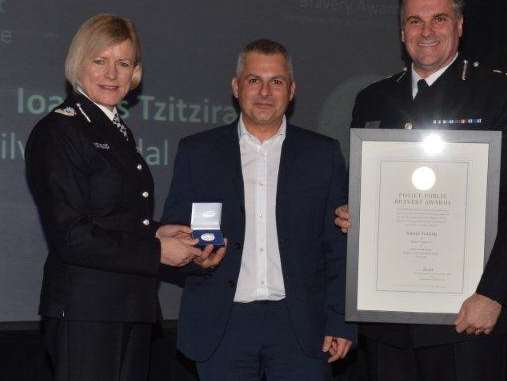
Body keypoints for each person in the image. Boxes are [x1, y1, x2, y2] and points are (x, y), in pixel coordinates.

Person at [334, 0, 507, 380]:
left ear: (460, 26)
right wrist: (359, 213)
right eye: (415, 21)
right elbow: (374, 189)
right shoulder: (373, 98)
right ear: (402, 32)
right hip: (389, 318)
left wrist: (495, 293)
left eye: (439, 19)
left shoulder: (500, 93)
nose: (426, 31)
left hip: (468, 316)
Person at [25, 14, 224, 381]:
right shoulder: (59, 131)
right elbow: (72, 236)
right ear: (77, 65)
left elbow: (115, 220)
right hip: (87, 312)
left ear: (135, 73)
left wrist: (162, 235)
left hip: (129, 305)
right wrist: (156, 251)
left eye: (123, 63)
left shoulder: (116, 130)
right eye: (99, 61)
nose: (111, 74)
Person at [161, 38, 356, 380]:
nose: (265, 92)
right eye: (254, 80)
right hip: (222, 327)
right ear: (237, 87)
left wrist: (340, 320)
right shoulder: (198, 153)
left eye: (276, 82)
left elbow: (338, 246)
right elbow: (174, 234)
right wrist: (196, 260)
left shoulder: (323, 155)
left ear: (291, 90)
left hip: (301, 328)